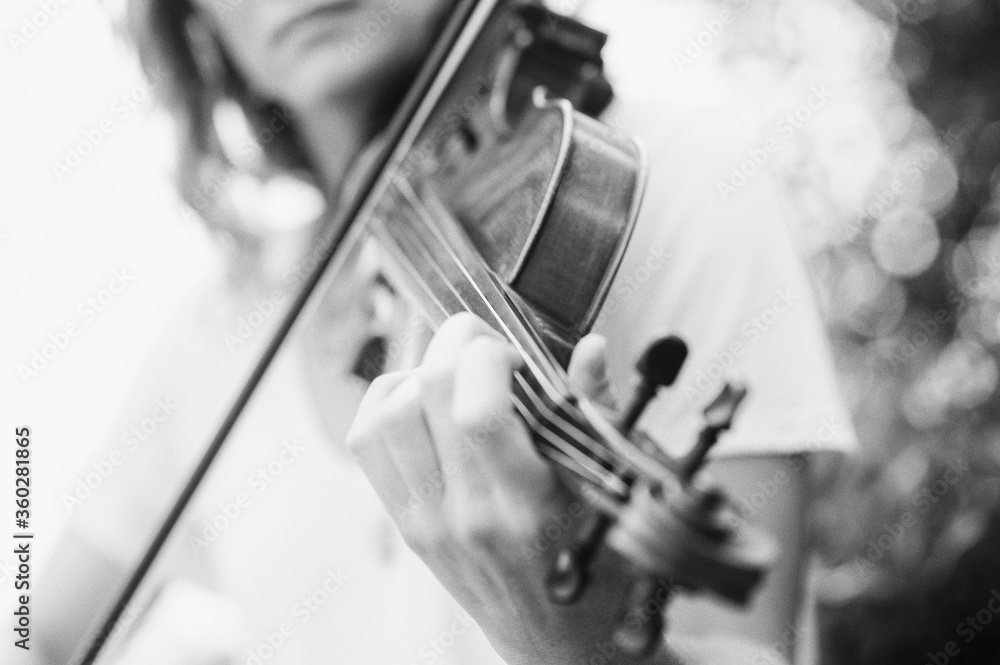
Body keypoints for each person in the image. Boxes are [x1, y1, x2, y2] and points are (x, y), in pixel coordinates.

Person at [34, 0, 856, 663]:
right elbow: (42, 631)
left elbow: (743, 648)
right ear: (195, 23)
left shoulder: (664, 172)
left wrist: (578, 643)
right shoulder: (213, 333)